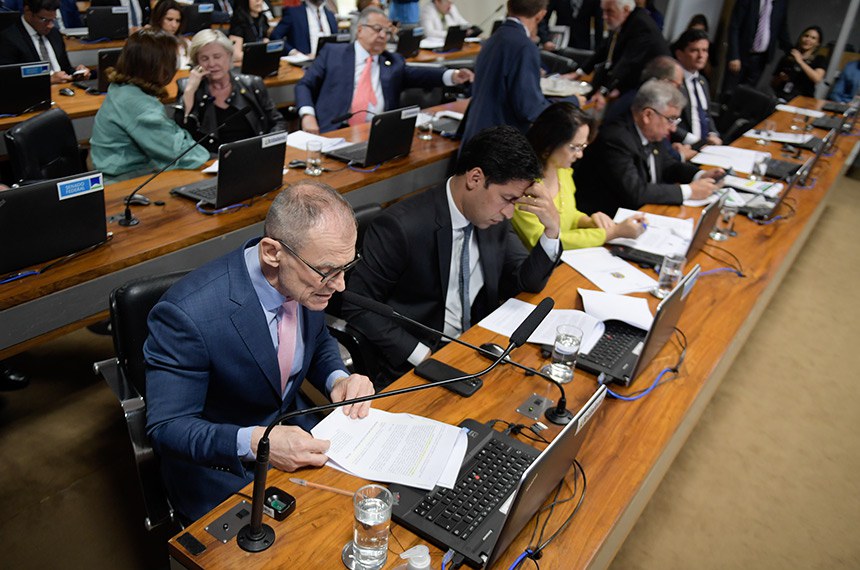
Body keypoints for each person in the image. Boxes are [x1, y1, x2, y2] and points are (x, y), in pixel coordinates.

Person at [145, 181, 375, 522]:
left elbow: (316, 339)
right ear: (271, 252)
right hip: (221, 464)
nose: (340, 285)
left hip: (295, 430)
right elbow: (168, 427)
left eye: (346, 268)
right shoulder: (186, 314)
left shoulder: (306, 280)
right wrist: (258, 443)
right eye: (328, 272)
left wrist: (337, 378)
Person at [342, 125, 561, 386]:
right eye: (507, 199)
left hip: (476, 346)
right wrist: (422, 355)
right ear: (475, 178)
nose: (509, 213)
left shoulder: (493, 218)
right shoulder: (400, 227)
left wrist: (552, 230)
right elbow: (357, 305)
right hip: (416, 361)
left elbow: (526, 282)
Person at [295, 7, 473, 134]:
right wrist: (308, 116)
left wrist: (453, 75)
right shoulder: (334, 53)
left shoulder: (393, 61)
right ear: (360, 30)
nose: (382, 36)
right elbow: (304, 85)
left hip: (377, 133)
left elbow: (420, 74)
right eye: (377, 29)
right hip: (334, 130)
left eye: (387, 32)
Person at [574, 79, 723, 216]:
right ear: (648, 115)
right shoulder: (615, 139)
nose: (673, 128)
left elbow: (668, 166)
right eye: (670, 119)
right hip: (606, 220)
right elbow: (635, 191)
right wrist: (689, 191)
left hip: (642, 214)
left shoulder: (651, 132)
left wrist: (699, 175)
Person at [513, 103, 645, 251]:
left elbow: (569, 215)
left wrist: (588, 221)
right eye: (574, 147)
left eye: (582, 146)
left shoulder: (562, 170)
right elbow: (544, 241)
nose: (580, 154)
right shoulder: (524, 187)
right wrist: (612, 232)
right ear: (549, 143)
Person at [90, 28, 209, 182]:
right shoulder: (138, 105)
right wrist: (210, 159)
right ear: (158, 65)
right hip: (125, 182)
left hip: (126, 173)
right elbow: (183, 153)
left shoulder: (122, 88)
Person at [459, 0, 580, 146]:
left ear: (509, 7)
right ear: (541, 15)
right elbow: (531, 110)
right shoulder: (524, 46)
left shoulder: (492, 38)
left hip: (475, 138)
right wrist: (572, 101)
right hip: (499, 144)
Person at [175, 29, 286, 152]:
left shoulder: (252, 84)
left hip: (255, 153)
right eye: (204, 58)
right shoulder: (190, 88)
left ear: (229, 56)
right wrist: (190, 91)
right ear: (197, 62)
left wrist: (268, 148)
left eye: (217, 57)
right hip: (210, 159)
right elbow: (181, 137)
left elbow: (278, 122)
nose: (212, 63)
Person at [577, 0, 669, 103]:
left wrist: (604, 91)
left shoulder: (641, 25)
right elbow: (604, 49)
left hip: (651, 85)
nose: (604, 16)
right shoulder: (622, 19)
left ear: (625, 10)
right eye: (603, 11)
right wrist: (580, 72)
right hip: (632, 79)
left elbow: (627, 62)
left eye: (609, 11)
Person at [0, 0, 90, 84]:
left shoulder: (54, 33)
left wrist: (77, 73)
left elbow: (65, 68)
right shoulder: (8, 39)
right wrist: (48, 80)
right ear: (28, 12)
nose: (50, 25)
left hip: (64, 89)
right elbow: (8, 80)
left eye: (53, 20)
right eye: (44, 20)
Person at [672, 28, 721, 147]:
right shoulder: (672, 81)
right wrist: (696, 142)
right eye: (694, 50)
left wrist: (713, 134)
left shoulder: (702, 81)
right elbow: (669, 123)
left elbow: (707, 115)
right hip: (683, 146)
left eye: (705, 50)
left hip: (706, 146)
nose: (701, 56)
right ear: (679, 54)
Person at [726, 0, 790, 89]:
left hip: (760, 59)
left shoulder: (781, 3)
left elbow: (782, 30)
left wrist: (792, 51)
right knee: (730, 90)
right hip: (741, 55)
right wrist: (734, 56)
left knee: (747, 93)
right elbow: (734, 27)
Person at [771, 26, 826, 101]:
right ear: (801, 37)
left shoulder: (819, 59)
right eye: (806, 36)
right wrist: (780, 78)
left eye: (813, 38)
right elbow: (773, 83)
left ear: (818, 43)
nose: (808, 40)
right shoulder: (788, 57)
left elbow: (817, 79)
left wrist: (800, 61)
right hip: (782, 96)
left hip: (803, 100)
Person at [270, 0, 338, 57]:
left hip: (330, 60)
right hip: (305, 62)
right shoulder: (293, 13)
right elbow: (275, 36)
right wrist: (293, 52)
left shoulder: (330, 15)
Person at [537, 0, 603, 51]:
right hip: (559, 45)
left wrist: (598, 51)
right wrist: (545, 40)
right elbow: (542, 18)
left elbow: (599, 25)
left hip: (582, 47)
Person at [149, 0, 190, 69]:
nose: (174, 25)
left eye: (177, 21)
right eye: (169, 19)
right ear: (159, 19)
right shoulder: (148, 44)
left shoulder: (186, 43)